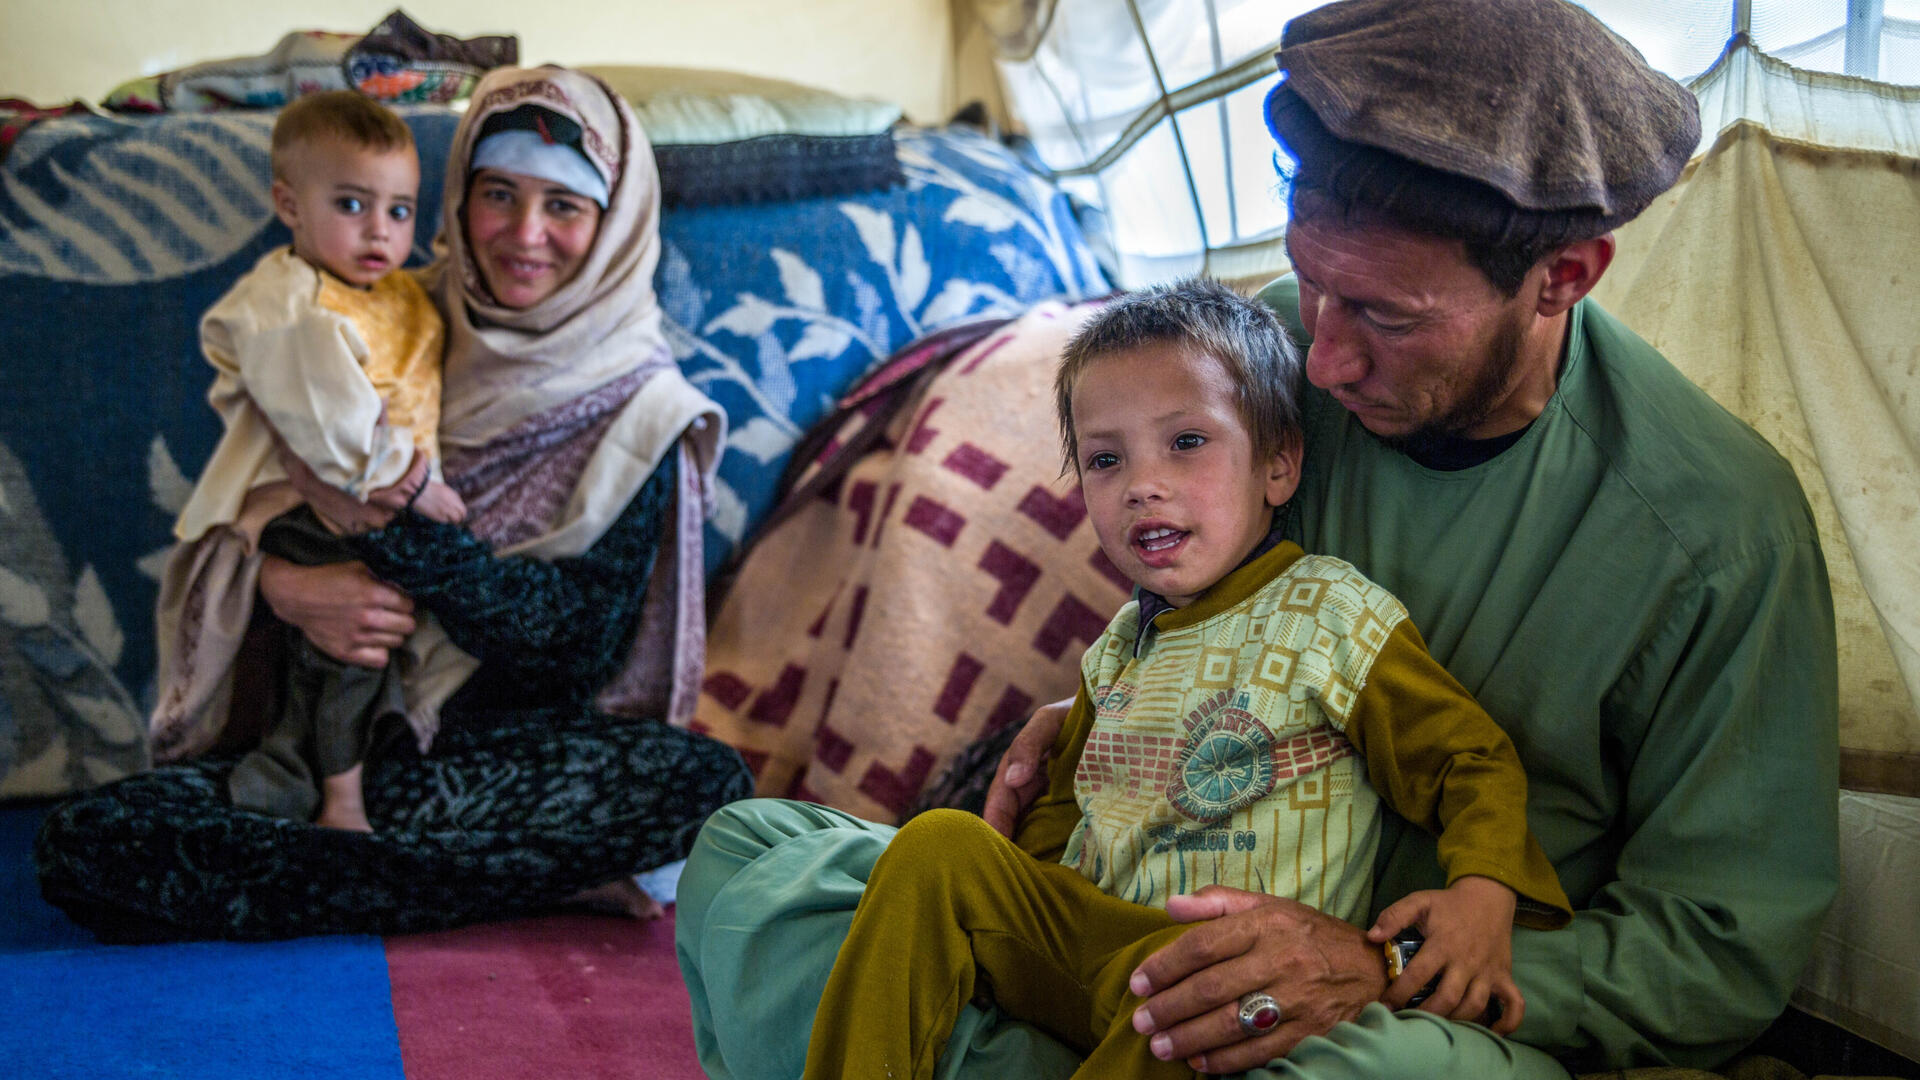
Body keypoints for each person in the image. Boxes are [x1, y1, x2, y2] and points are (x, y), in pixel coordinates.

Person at [673, 2, 1839, 1078]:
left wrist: (1375, 968)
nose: (1322, 359)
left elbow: (1717, 950)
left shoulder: (1717, 534)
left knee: (1298, 1065)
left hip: (1390, 1016)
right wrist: (1100, 717)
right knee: (749, 863)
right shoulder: (1256, 362)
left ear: (1563, 278)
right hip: (1148, 917)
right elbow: (1185, 598)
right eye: (1309, 285)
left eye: (1384, 316)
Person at [35, 66, 754, 941]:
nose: (525, 235)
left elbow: (573, 646)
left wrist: (388, 522)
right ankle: (515, 881)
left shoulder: (645, 409)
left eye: (564, 206)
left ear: (615, 224)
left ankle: (367, 868)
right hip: (319, 725)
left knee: (706, 787)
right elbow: (246, 496)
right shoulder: (381, 314)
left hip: (503, 759)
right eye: (499, 194)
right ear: (460, 196)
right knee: (90, 843)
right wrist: (282, 585)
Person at [799, 278, 1572, 1080]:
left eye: (1187, 443)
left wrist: (1485, 895)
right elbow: (1063, 813)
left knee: (1195, 1001)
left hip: (1223, 966)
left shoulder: (1330, 615)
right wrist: (992, 909)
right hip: (1092, 942)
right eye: (1106, 459)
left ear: (1277, 466)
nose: (1142, 484)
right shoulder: (1117, 650)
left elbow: (1468, 760)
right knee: (940, 844)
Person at [179, 90, 467, 833]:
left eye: (401, 211)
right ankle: (343, 800)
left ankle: (285, 772)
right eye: (351, 204)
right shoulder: (291, 305)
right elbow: (328, 421)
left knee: (346, 648)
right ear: (289, 205)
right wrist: (414, 482)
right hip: (309, 505)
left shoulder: (393, 289)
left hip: (367, 507)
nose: (380, 230)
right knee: (354, 647)